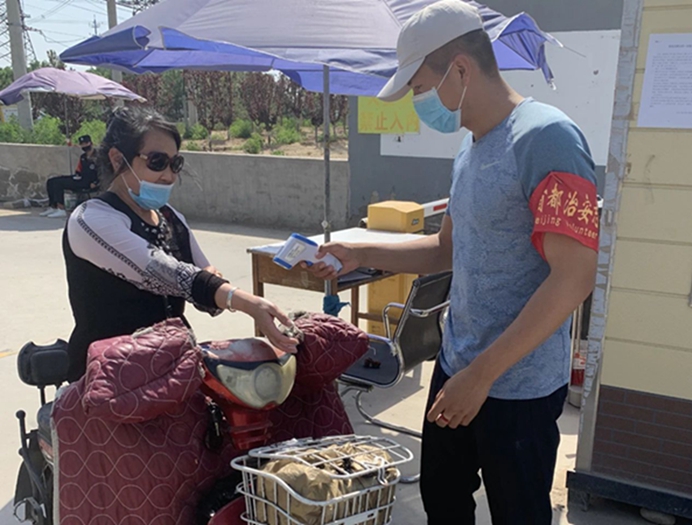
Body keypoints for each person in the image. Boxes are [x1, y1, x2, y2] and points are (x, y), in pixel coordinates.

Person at [305, 1, 599, 524]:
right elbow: (445, 250)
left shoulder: (547, 139)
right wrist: (361, 252)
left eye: (420, 87)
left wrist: (481, 377)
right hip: (457, 364)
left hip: (518, 388)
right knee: (443, 503)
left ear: (460, 69)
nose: (418, 102)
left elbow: (574, 276)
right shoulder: (469, 148)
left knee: (519, 513)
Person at [63, 106, 298, 382]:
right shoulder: (90, 220)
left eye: (175, 164)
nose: (169, 176)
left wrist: (213, 284)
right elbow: (164, 272)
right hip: (109, 377)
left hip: (170, 366)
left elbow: (206, 288)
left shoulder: (170, 218)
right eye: (157, 162)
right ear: (117, 159)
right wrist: (246, 302)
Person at [41, 134, 100, 219]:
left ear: (91, 143)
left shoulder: (99, 157)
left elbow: (103, 172)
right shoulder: (83, 157)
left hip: (90, 183)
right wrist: (76, 175)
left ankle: (61, 209)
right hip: (80, 179)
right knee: (52, 181)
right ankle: (53, 207)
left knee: (59, 184)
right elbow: (78, 170)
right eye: (82, 144)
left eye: (86, 143)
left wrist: (96, 182)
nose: (84, 146)